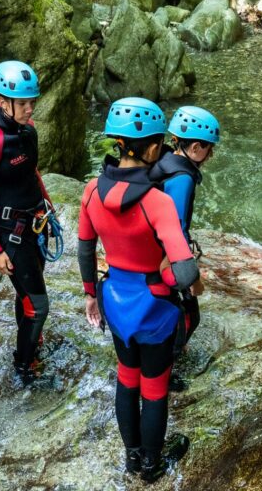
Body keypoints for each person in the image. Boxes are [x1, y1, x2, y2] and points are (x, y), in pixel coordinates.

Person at [78, 98, 199, 483]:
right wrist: (192, 284)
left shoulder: (92, 191)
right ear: (149, 148)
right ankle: (151, 464)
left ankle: (132, 458)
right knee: (155, 387)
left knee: (127, 378)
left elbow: (85, 247)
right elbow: (183, 270)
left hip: (113, 300)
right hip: (154, 309)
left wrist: (89, 295)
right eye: (159, 145)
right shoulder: (157, 202)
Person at [0, 60, 58, 384]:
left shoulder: (28, 131)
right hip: (12, 232)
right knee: (38, 305)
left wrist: (47, 204)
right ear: (3, 102)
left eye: (32, 101)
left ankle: (29, 338)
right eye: (23, 103)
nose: (30, 108)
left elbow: (32, 172)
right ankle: (23, 365)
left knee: (28, 296)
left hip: (34, 221)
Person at [149, 106, 219, 390]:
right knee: (189, 316)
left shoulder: (166, 158)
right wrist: (189, 275)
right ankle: (165, 368)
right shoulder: (183, 178)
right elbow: (174, 228)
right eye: (208, 148)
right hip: (164, 256)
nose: (211, 155)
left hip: (148, 247)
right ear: (194, 146)